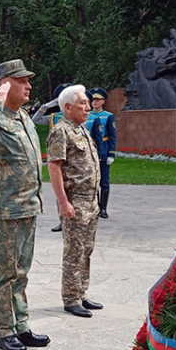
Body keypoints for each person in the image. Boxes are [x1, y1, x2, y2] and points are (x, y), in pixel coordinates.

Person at [0, 59, 50, 350]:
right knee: (6, 273)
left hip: (29, 205)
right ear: (5, 85)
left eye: (28, 80)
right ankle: (5, 330)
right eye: (22, 81)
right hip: (6, 209)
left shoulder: (23, 117)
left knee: (22, 272)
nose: (28, 86)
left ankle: (21, 324)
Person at [47, 85, 104, 318]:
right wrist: (63, 201)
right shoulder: (61, 131)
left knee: (87, 249)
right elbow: (54, 167)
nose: (88, 107)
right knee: (74, 251)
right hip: (75, 201)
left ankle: (81, 292)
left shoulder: (81, 129)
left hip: (91, 201)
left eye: (88, 103)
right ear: (68, 107)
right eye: (83, 103)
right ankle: (70, 298)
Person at [32, 82, 73, 232]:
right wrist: (47, 106)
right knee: (61, 189)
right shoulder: (54, 117)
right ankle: (63, 220)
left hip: (75, 158)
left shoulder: (78, 116)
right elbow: (35, 120)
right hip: (59, 159)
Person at [85, 88, 117, 218]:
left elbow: (112, 136)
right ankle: (96, 207)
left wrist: (111, 154)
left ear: (103, 101)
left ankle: (103, 208)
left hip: (103, 150)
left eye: (98, 100)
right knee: (93, 181)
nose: (95, 102)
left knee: (104, 181)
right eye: (93, 100)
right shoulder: (87, 115)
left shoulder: (108, 116)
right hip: (89, 150)